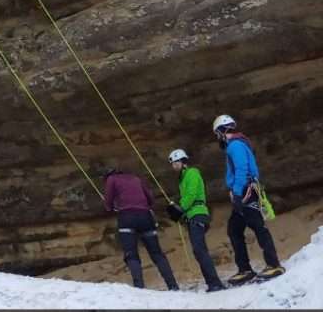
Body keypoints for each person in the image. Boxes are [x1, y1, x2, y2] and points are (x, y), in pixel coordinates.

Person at [213, 114, 285, 285]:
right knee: (235, 230)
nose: (217, 138)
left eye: (217, 133)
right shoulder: (238, 143)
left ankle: (274, 264)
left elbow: (242, 169)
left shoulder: (235, 146)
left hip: (245, 192)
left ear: (223, 131)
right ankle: (245, 269)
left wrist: (237, 193)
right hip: (245, 191)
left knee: (258, 226)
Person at [101, 167, 179, 290]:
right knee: (157, 253)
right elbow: (150, 199)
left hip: (127, 217)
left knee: (131, 254)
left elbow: (108, 202)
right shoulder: (135, 178)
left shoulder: (111, 179)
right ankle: (173, 285)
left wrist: (111, 207)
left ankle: (139, 287)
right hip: (145, 217)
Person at [166, 149, 225, 292]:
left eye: (174, 163)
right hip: (193, 215)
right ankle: (212, 283)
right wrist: (180, 212)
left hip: (198, 214)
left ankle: (215, 283)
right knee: (199, 250)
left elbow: (191, 194)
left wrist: (180, 208)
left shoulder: (192, 173)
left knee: (200, 250)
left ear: (181, 161)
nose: (173, 166)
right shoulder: (183, 177)